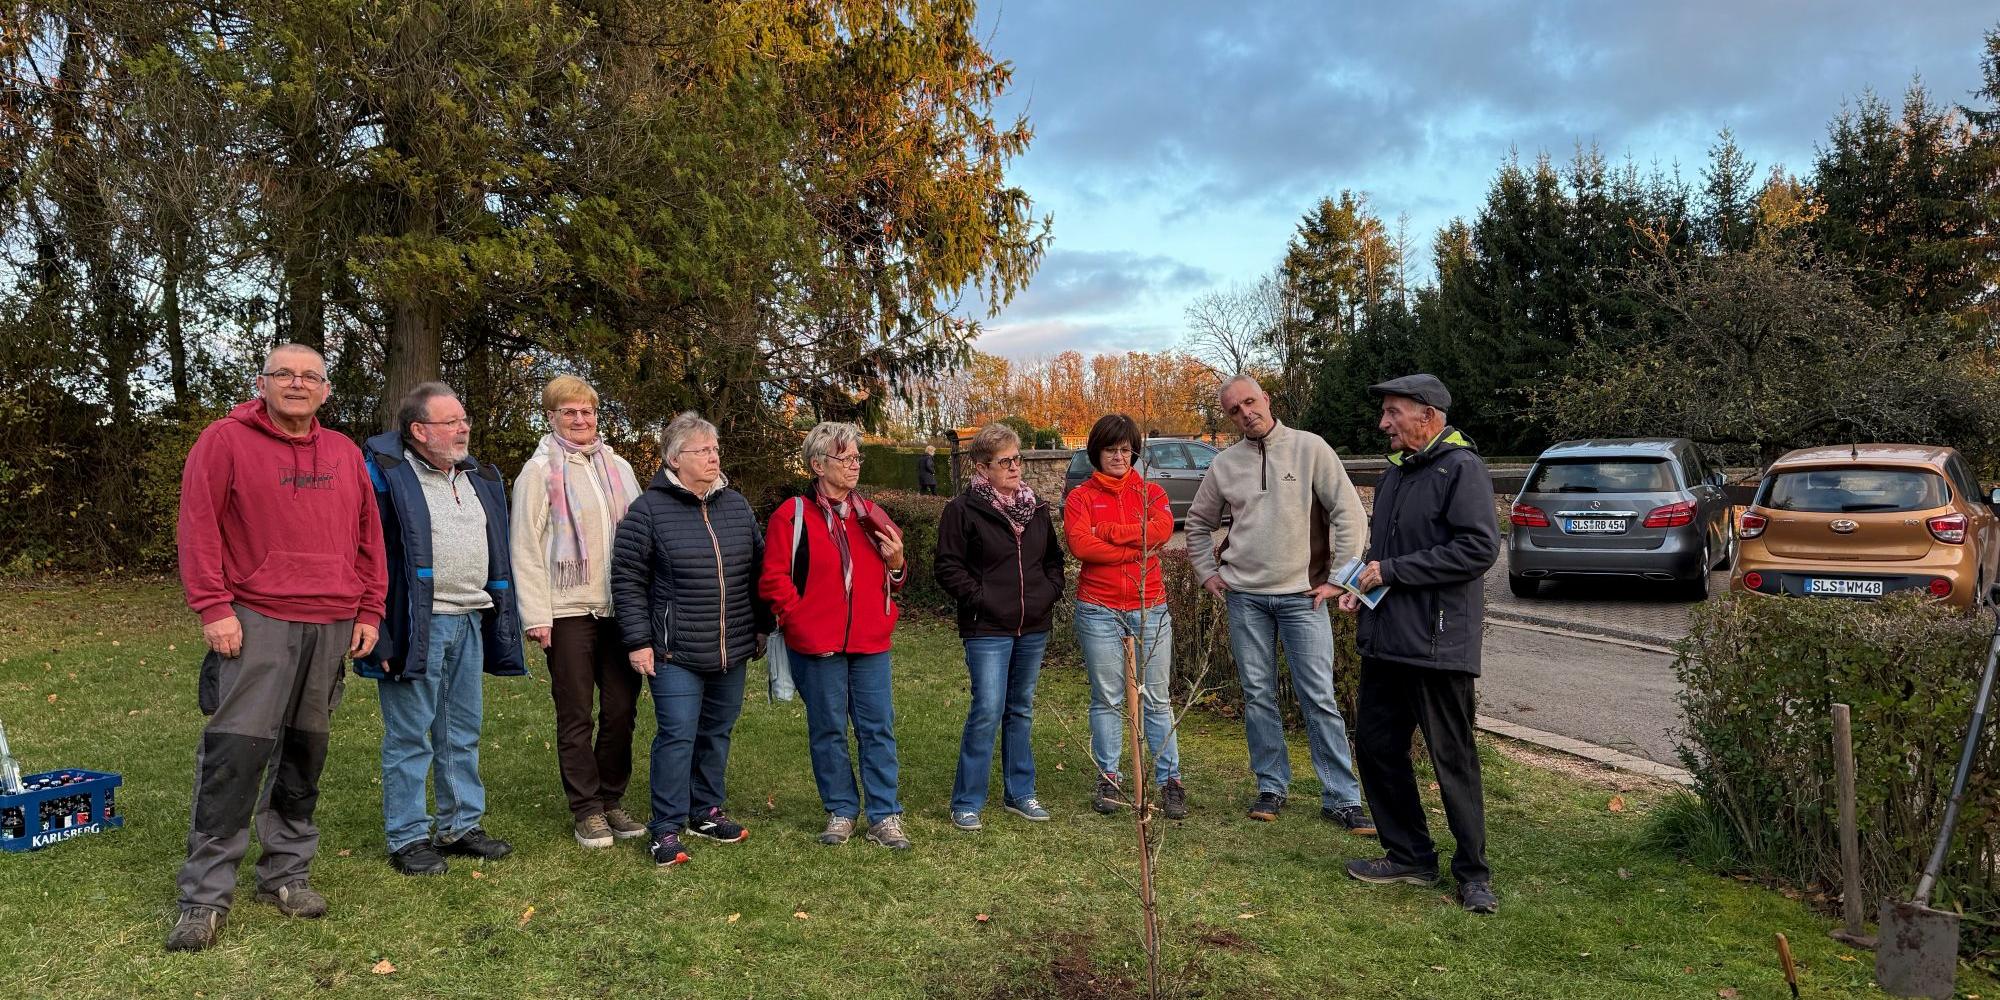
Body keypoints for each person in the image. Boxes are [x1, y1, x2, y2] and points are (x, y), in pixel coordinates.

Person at [167, 344, 386, 952]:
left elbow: (369, 537)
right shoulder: (225, 440)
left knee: (303, 755)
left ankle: (286, 874)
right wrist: (213, 606)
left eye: (310, 376)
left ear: (326, 390)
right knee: (236, 754)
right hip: (256, 617)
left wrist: (370, 609)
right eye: (283, 374)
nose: (296, 383)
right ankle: (205, 896)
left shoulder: (343, 452)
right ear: (261, 383)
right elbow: (198, 524)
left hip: (332, 620)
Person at [1184, 374, 1375, 833]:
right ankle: (1271, 786)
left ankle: (1342, 798)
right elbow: (1197, 522)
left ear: (1266, 399)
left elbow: (1349, 513)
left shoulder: (1311, 448)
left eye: (1250, 402)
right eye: (1234, 410)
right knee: (1258, 697)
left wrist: (1340, 580)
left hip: (1302, 599)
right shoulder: (1225, 464)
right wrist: (1207, 573)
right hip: (1245, 599)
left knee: (1318, 697)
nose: (1245, 413)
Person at [1339, 374, 1501, 915]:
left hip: (1437, 644)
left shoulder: (1462, 469)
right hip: (1387, 639)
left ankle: (1473, 874)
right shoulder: (1395, 475)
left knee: (1451, 758)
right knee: (1376, 747)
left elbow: (1478, 549)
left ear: (1427, 415)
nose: (1383, 423)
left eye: (1393, 412)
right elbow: (1385, 555)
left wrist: (1393, 571)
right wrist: (1362, 586)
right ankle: (1409, 855)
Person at [358, 382, 527, 876]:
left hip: (470, 618)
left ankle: (459, 825)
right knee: (410, 736)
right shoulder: (386, 477)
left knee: (461, 732)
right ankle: (408, 836)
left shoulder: (478, 476)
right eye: (450, 422)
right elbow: (368, 554)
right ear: (418, 430)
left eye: (464, 419)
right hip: (417, 623)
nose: (463, 428)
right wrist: (379, 625)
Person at [611, 412, 772, 867]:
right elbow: (627, 580)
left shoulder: (735, 505)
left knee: (717, 732)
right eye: (702, 450)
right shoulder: (648, 510)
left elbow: (758, 570)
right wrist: (638, 641)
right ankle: (665, 827)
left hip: (731, 646)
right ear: (674, 459)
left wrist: (762, 625)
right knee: (678, 734)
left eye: (714, 448)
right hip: (673, 650)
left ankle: (706, 811)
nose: (712, 456)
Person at [758, 422, 911, 849]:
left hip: (870, 641)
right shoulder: (792, 515)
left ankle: (884, 815)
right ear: (817, 465)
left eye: (857, 457)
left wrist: (898, 563)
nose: (855, 465)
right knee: (828, 730)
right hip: (816, 644)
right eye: (845, 458)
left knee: (877, 728)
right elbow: (773, 579)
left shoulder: (871, 514)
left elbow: (895, 576)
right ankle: (841, 810)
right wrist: (799, 619)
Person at [509, 376, 645, 849]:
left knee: (622, 710)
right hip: (566, 611)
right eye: (569, 412)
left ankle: (611, 798)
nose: (580, 419)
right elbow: (524, 545)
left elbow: (640, 534)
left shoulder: (619, 468)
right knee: (576, 714)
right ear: (551, 417)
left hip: (620, 609)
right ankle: (586, 809)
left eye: (587, 411)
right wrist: (536, 614)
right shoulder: (538, 472)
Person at [933, 423, 1064, 832]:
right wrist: (983, 599)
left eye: (1017, 459)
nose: (1015, 467)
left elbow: (1053, 561)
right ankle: (967, 801)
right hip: (987, 627)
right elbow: (948, 567)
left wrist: (1047, 593)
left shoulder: (1035, 508)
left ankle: (1020, 792)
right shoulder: (962, 510)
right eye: (1005, 461)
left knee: (1020, 708)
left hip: (1032, 625)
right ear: (982, 467)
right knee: (988, 708)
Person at [1064, 414, 1187, 820]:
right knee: (1107, 697)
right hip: (1098, 608)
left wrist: (1109, 533)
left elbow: (1162, 531)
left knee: (1157, 697)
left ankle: (1170, 780)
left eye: (1125, 450)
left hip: (1150, 606)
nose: (1118, 456)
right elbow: (1082, 546)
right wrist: (1136, 545)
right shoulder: (1080, 497)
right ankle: (1109, 777)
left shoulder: (1151, 491)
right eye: (1110, 450)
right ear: (1096, 453)